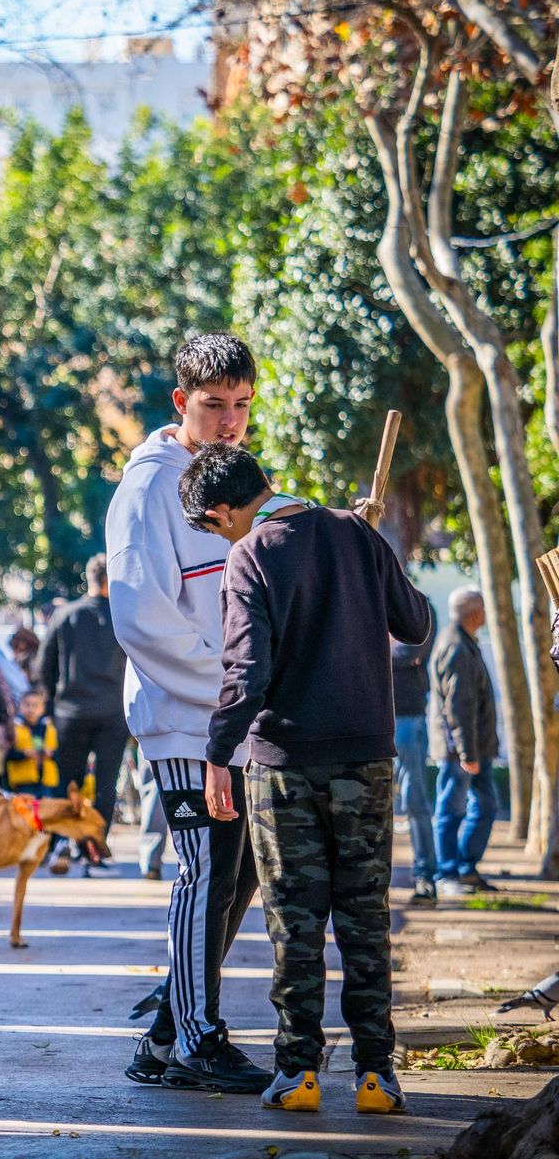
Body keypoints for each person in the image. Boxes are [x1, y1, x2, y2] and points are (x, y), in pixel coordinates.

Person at [181, 442, 431, 1114]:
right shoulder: (356, 533)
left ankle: (299, 1073)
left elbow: (246, 672)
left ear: (228, 508)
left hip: (285, 766)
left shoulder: (251, 555)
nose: (218, 534)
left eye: (211, 524)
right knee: (364, 919)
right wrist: (374, 556)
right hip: (367, 761)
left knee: (295, 925)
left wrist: (217, 755)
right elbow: (417, 623)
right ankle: (378, 1074)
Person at [104, 332, 269, 1094]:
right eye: (213, 406)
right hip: (182, 717)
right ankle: (200, 1038)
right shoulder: (147, 490)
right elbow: (142, 619)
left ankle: (167, 1034)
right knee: (204, 872)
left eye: (240, 405)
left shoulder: (234, 482)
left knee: (238, 880)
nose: (230, 420)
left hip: (236, 722)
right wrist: (230, 688)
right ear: (180, 403)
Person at [35, 553, 128, 874]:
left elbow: (43, 668)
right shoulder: (124, 617)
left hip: (70, 713)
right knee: (106, 783)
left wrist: (53, 705)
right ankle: (96, 849)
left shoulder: (64, 616)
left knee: (66, 782)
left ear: (89, 578)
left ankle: (62, 841)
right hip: (113, 712)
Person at [429, 587, 500, 897]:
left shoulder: (462, 641)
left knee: (484, 805)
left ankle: (464, 867)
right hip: (461, 749)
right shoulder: (457, 647)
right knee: (452, 809)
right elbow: (458, 707)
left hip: (472, 747)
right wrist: (467, 752)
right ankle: (448, 872)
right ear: (475, 614)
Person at [392, 606, 438, 905]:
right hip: (371, 719)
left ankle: (425, 877)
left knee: (415, 799)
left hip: (406, 718)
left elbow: (409, 653)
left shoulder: (417, 605)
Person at [5, 688, 61, 798]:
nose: (31, 709)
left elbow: (59, 754)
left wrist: (50, 754)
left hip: (45, 783)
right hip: (23, 784)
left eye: (35, 705)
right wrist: (23, 754)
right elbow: (7, 755)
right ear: (20, 706)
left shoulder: (49, 728)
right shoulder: (14, 729)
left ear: (42, 709)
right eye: (27, 705)